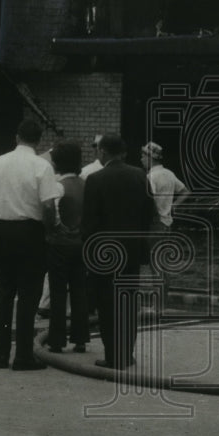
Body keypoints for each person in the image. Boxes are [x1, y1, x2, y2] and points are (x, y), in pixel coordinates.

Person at [0, 119, 61, 371]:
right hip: (30, 231)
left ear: (17, 137)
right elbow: (49, 205)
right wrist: (50, 230)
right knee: (29, 295)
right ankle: (23, 355)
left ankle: (1, 354)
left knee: (5, 293)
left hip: (3, 229)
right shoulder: (42, 166)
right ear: (39, 140)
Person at [82, 133, 155, 370]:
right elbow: (148, 214)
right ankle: (127, 352)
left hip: (105, 253)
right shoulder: (140, 176)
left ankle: (112, 355)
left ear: (102, 152)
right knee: (128, 302)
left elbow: (89, 223)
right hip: (132, 250)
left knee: (106, 304)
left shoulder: (95, 179)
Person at [45, 141, 90, 353]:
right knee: (80, 290)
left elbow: (52, 212)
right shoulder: (85, 184)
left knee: (58, 292)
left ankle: (57, 339)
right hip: (81, 243)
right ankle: (80, 338)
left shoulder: (57, 186)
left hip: (60, 244)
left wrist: (55, 228)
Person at [140, 141, 190, 290]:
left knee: (155, 266)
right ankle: (162, 305)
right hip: (167, 224)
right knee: (162, 266)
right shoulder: (169, 173)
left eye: (143, 155)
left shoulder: (151, 177)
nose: (141, 159)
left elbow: (150, 201)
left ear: (150, 157)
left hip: (155, 225)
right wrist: (174, 206)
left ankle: (157, 307)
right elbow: (186, 192)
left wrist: (152, 216)